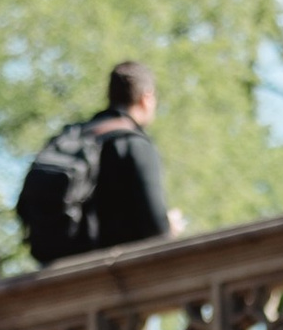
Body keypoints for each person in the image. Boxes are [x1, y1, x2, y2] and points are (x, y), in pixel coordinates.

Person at [14, 61, 175, 268]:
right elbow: (156, 230)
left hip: (60, 275)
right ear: (147, 98)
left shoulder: (73, 137)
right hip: (113, 279)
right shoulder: (134, 143)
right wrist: (169, 225)